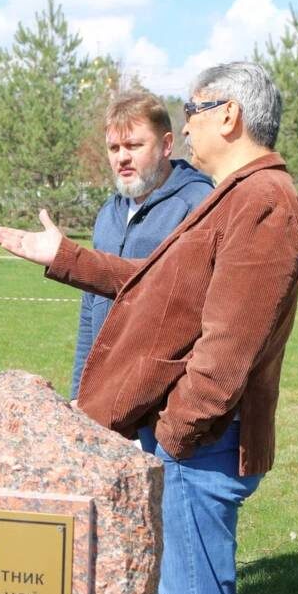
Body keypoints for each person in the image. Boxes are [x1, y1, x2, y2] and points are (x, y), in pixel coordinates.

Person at [0, 62, 298, 594]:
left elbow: (228, 346)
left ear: (229, 115)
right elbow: (162, 287)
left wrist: (174, 434)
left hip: (201, 443)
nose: (187, 130)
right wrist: (64, 257)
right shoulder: (240, 195)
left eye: (194, 112)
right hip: (193, 440)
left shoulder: (262, 199)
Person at [71, 91, 212, 399]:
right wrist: (80, 391)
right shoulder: (109, 212)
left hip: (164, 402)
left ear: (166, 145)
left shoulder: (197, 205)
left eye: (134, 145)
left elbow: (204, 316)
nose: (122, 157)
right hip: (106, 393)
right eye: (114, 147)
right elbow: (89, 308)